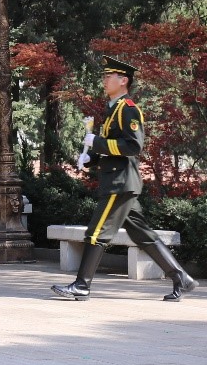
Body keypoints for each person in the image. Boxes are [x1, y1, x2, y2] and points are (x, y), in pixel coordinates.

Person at [52, 56, 199, 302]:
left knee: (96, 233)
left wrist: (97, 143)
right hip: (120, 181)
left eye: (109, 76)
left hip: (119, 183)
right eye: (105, 76)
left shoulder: (128, 109)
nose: (105, 80)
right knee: (143, 235)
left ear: (123, 81)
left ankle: (82, 285)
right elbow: (114, 149)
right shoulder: (113, 109)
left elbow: (133, 146)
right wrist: (91, 158)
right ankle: (181, 278)